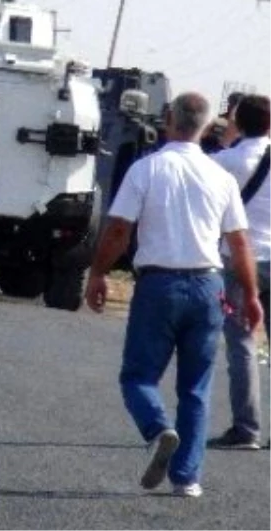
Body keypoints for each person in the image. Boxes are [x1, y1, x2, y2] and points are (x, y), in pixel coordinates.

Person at [86, 92, 262, 498]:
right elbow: (238, 244)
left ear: (168, 119)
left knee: (138, 376)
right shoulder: (221, 177)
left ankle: (157, 428)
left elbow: (117, 230)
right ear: (205, 127)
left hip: (158, 283)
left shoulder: (146, 169)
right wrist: (251, 296)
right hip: (208, 284)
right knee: (196, 387)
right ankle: (188, 478)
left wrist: (97, 273)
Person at [207, 94, 271, 450]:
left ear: (238, 121)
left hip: (239, 257)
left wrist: (229, 136)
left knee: (242, 342)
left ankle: (246, 428)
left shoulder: (227, 160)